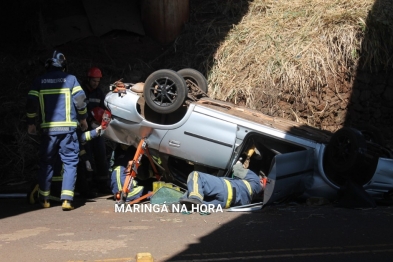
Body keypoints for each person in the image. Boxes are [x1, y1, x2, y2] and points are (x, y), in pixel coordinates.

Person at [26, 50, 88, 211]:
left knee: (47, 163)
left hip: (48, 130)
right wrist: (83, 119)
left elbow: (31, 102)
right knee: (70, 162)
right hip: (68, 130)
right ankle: (67, 200)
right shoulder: (71, 79)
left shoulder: (39, 81)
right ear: (63, 66)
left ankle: (44, 198)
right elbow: (80, 101)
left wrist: (31, 122)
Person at [179, 161, 264, 210]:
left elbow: (237, 169)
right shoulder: (254, 200)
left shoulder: (255, 179)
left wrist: (239, 162)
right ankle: (180, 205)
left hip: (225, 188)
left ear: (262, 181)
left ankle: (194, 198)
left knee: (196, 176)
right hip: (224, 203)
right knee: (198, 204)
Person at [81, 67, 109, 189]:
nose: (96, 84)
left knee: (101, 155)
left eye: (98, 81)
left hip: (96, 128)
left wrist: (102, 123)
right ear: (88, 79)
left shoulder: (99, 93)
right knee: (87, 157)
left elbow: (104, 109)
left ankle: (102, 183)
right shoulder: (81, 91)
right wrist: (88, 120)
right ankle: (88, 184)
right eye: (94, 81)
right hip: (84, 128)